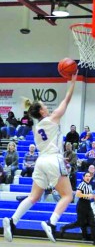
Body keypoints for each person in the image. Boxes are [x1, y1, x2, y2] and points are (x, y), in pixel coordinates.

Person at [3, 72, 77, 243]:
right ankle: (51, 223)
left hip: (41, 161)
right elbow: (66, 100)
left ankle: (13, 221)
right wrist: (72, 82)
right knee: (68, 196)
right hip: (52, 160)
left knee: (33, 197)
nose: (47, 107)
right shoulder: (52, 119)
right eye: (44, 105)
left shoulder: (36, 128)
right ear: (42, 111)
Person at [60, 172, 95, 246]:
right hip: (81, 205)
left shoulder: (89, 185)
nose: (88, 177)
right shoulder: (82, 184)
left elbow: (89, 196)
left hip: (88, 205)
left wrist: (93, 196)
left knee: (93, 223)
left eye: (89, 176)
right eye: (86, 176)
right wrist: (87, 195)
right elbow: (77, 194)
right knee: (79, 223)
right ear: (83, 177)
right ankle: (64, 228)